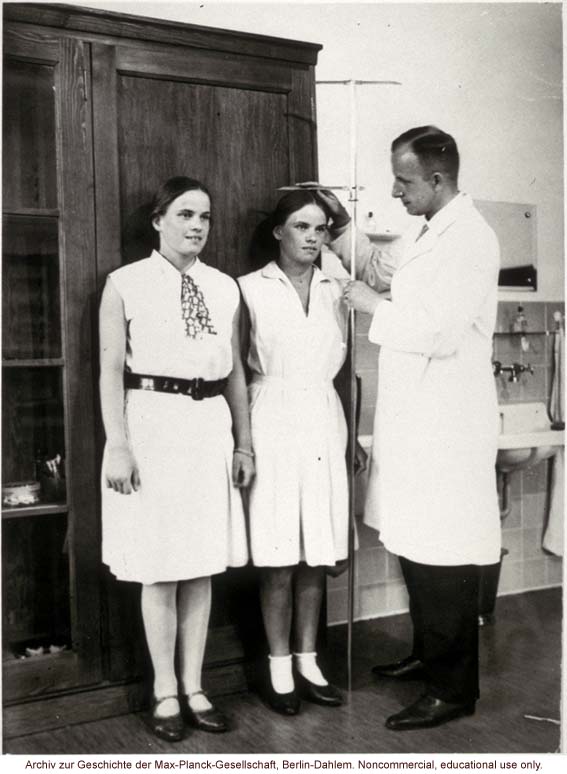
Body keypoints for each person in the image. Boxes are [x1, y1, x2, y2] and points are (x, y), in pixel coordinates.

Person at [325, 126, 501, 731]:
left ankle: (454, 688)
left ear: (436, 178)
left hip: (448, 425)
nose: (395, 190)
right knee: (416, 547)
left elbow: (439, 331)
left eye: (403, 180)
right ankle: (430, 654)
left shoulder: (471, 240)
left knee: (444, 555)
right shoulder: (426, 232)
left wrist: (374, 308)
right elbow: (377, 267)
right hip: (419, 421)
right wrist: (339, 219)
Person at [99, 176, 254, 742]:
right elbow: (109, 371)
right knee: (160, 566)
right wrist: (118, 444)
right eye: (185, 214)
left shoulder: (223, 288)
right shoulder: (125, 284)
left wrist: (244, 442)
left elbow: (234, 368)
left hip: (208, 426)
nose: (197, 226)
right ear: (159, 220)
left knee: (201, 564)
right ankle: (165, 689)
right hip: (150, 425)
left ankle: (195, 686)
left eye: (206, 217)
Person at [238, 190, 360, 715]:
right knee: (279, 554)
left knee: (317, 553)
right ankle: (278, 666)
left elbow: (349, 369)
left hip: (323, 416)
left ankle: (310, 660)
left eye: (321, 229)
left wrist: (352, 433)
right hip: (272, 415)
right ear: (278, 232)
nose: (313, 237)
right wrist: (242, 441)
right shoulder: (248, 288)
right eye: (302, 227)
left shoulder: (339, 290)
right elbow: (236, 372)